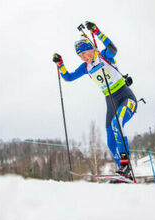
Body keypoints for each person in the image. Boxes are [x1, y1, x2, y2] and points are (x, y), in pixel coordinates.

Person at [52, 21, 137, 178]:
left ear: (92, 48)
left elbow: (113, 49)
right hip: (110, 101)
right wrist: (61, 64)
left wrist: (97, 31)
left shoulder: (105, 55)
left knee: (117, 123)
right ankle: (124, 174)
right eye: (81, 56)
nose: (84, 57)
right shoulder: (85, 67)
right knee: (111, 141)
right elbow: (68, 77)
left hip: (126, 97)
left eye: (85, 53)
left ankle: (126, 165)